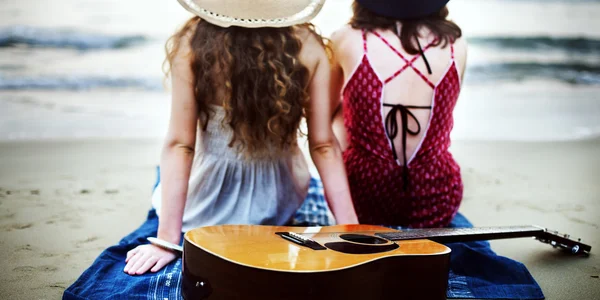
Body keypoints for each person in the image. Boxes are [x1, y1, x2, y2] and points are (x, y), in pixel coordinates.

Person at [63, 0, 357, 298]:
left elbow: (181, 145)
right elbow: (323, 146)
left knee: (163, 182)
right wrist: (351, 229)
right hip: (278, 200)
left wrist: (167, 239)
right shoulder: (309, 47)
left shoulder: (194, 44)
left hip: (206, 201)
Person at [329, 0, 467, 228]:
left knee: (341, 110)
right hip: (436, 198)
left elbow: (325, 132)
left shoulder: (346, 38)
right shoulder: (456, 43)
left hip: (364, 197)